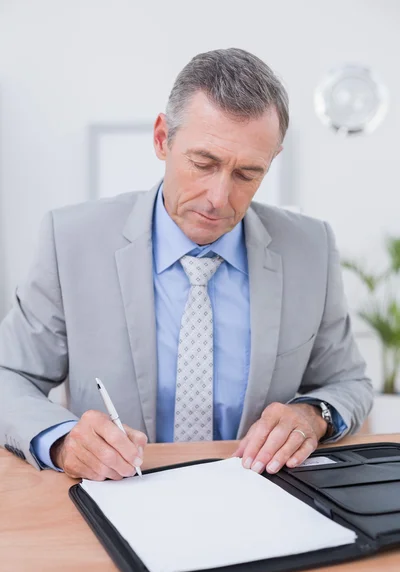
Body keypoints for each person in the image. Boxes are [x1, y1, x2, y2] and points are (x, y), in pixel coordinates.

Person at [0, 48, 373, 481]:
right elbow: (9, 375)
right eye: (203, 163)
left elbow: (350, 383)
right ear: (162, 139)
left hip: (261, 500)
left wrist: (313, 415)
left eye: (247, 174)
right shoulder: (70, 241)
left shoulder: (311, 248)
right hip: (118, 499)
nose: (218, 198)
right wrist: (63, 440)